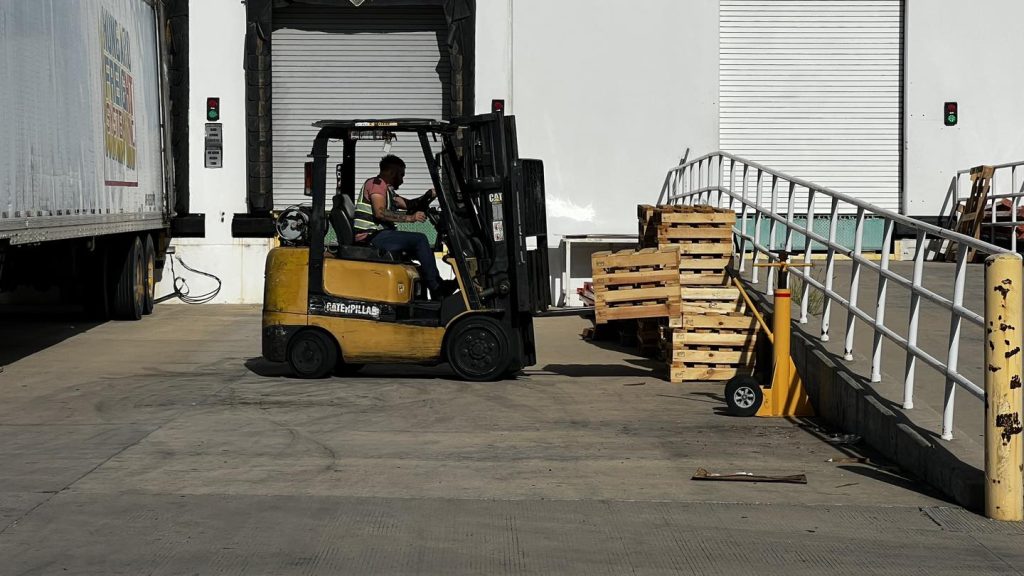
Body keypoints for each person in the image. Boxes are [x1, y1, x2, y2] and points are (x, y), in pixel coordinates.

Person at [352, 154, 446, 299]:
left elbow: (411, 205)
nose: (402, 180)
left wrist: (430, 194)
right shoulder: (376, 184)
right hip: (371, 236)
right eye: (401, 175)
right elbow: (380, 212)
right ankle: (436, 288)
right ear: (391, 172)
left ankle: (432, 289)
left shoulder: (388, 191)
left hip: (380, 235)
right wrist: (410, 218)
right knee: (420, 240)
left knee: (424, 251)